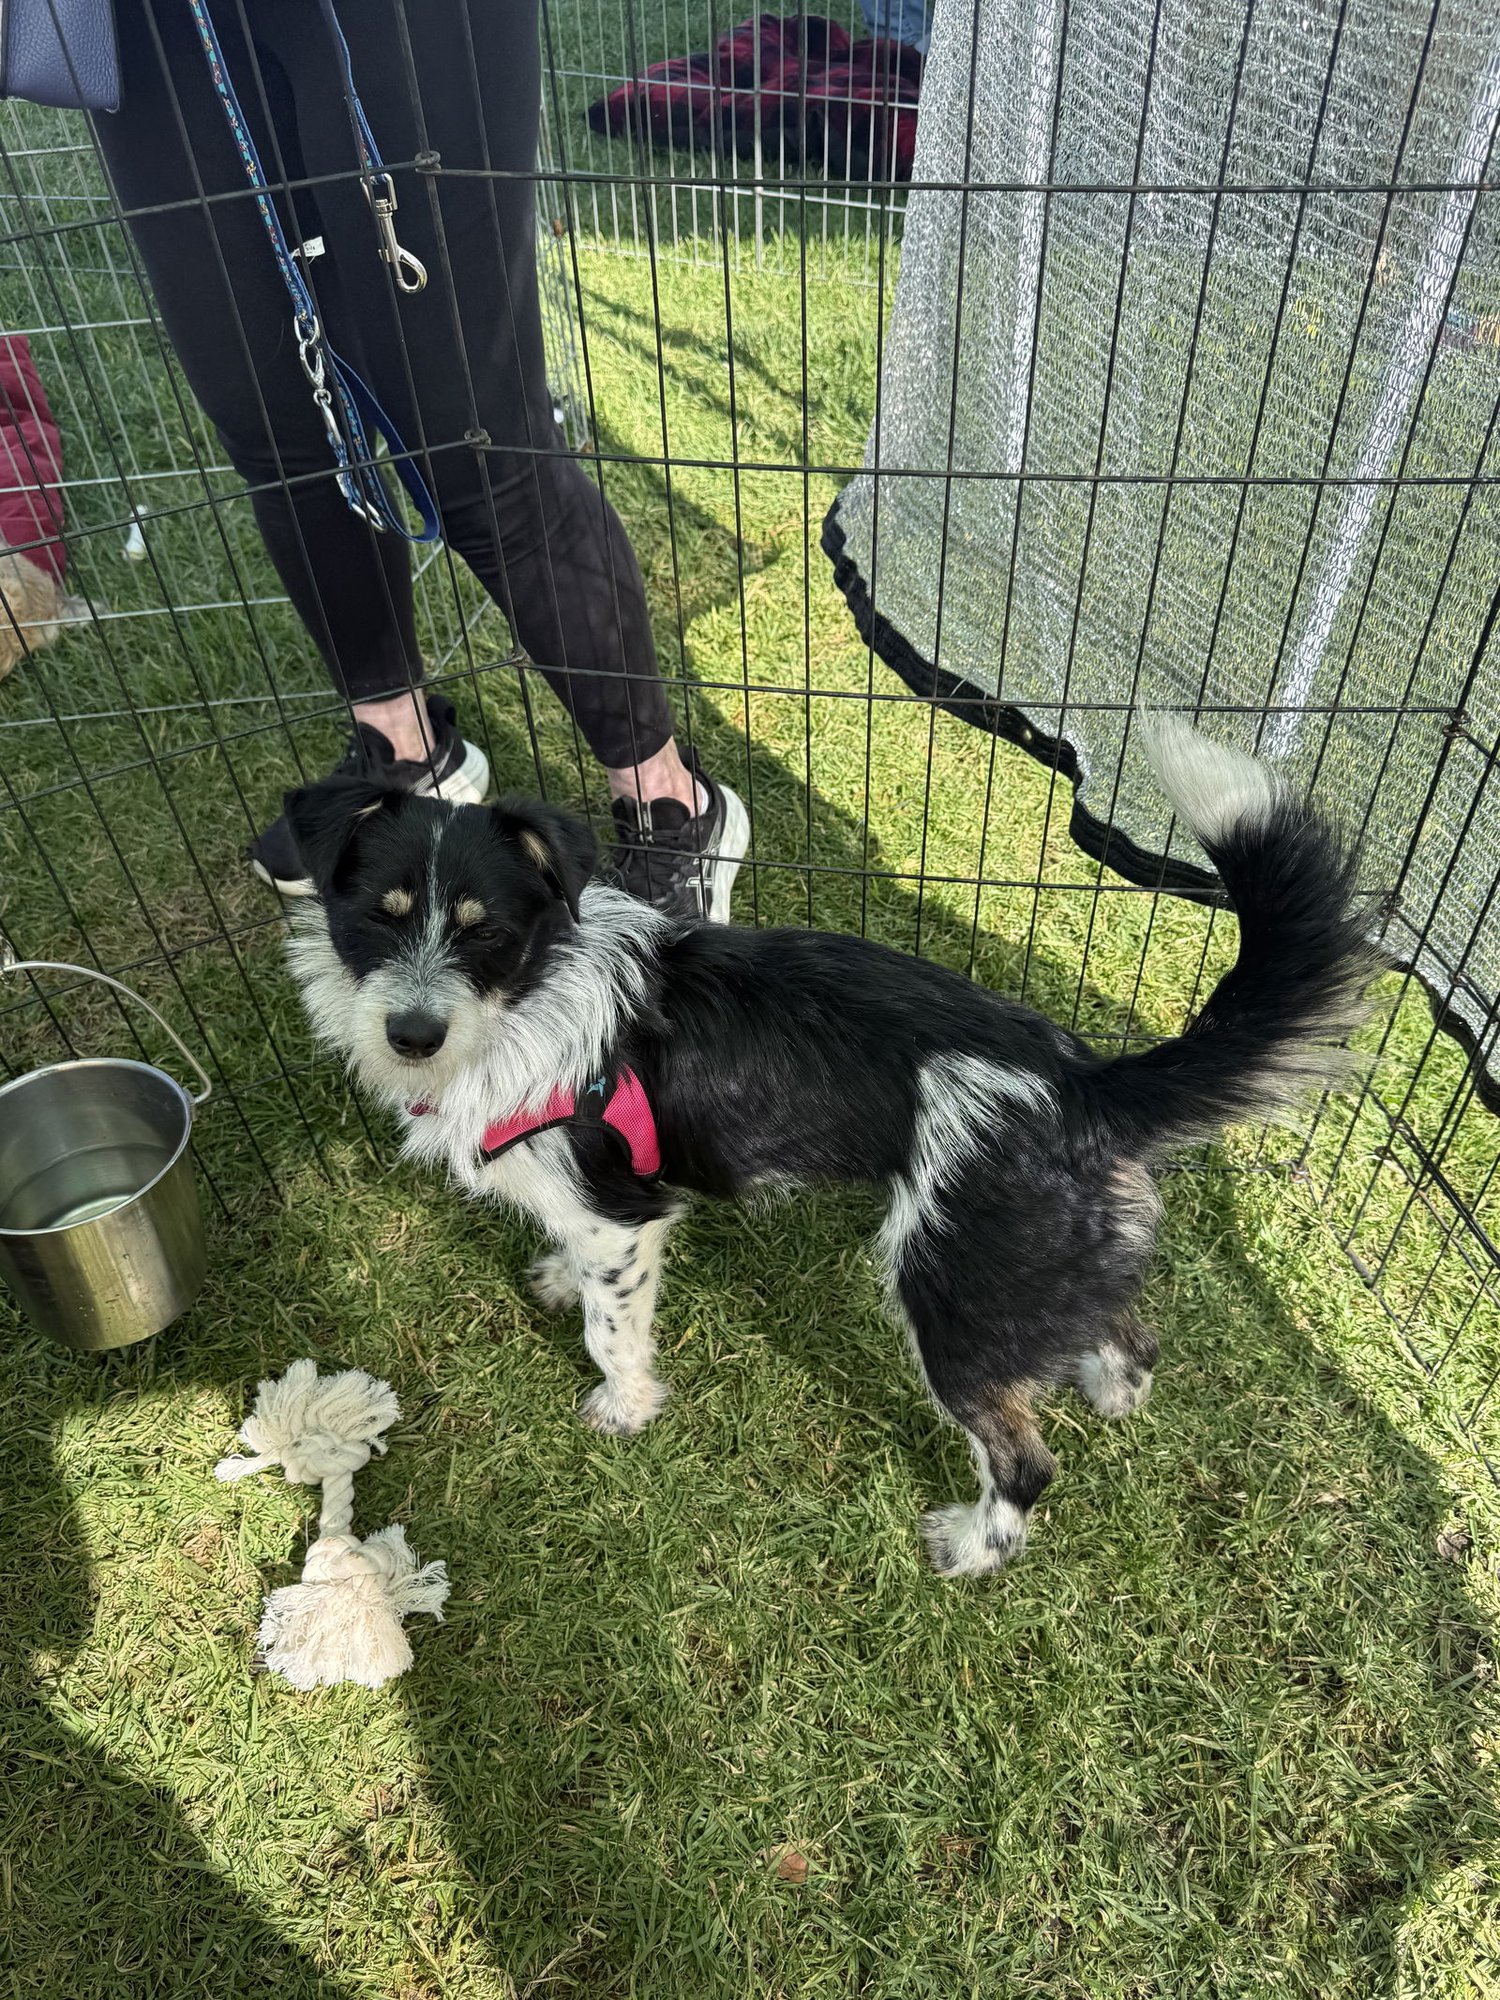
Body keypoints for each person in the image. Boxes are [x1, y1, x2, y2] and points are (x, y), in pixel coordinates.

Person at [92, 0, 747, 920]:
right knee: (276, 422)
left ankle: (672, 805)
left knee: (475, 437)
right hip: (156, 22)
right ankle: (404, 752)